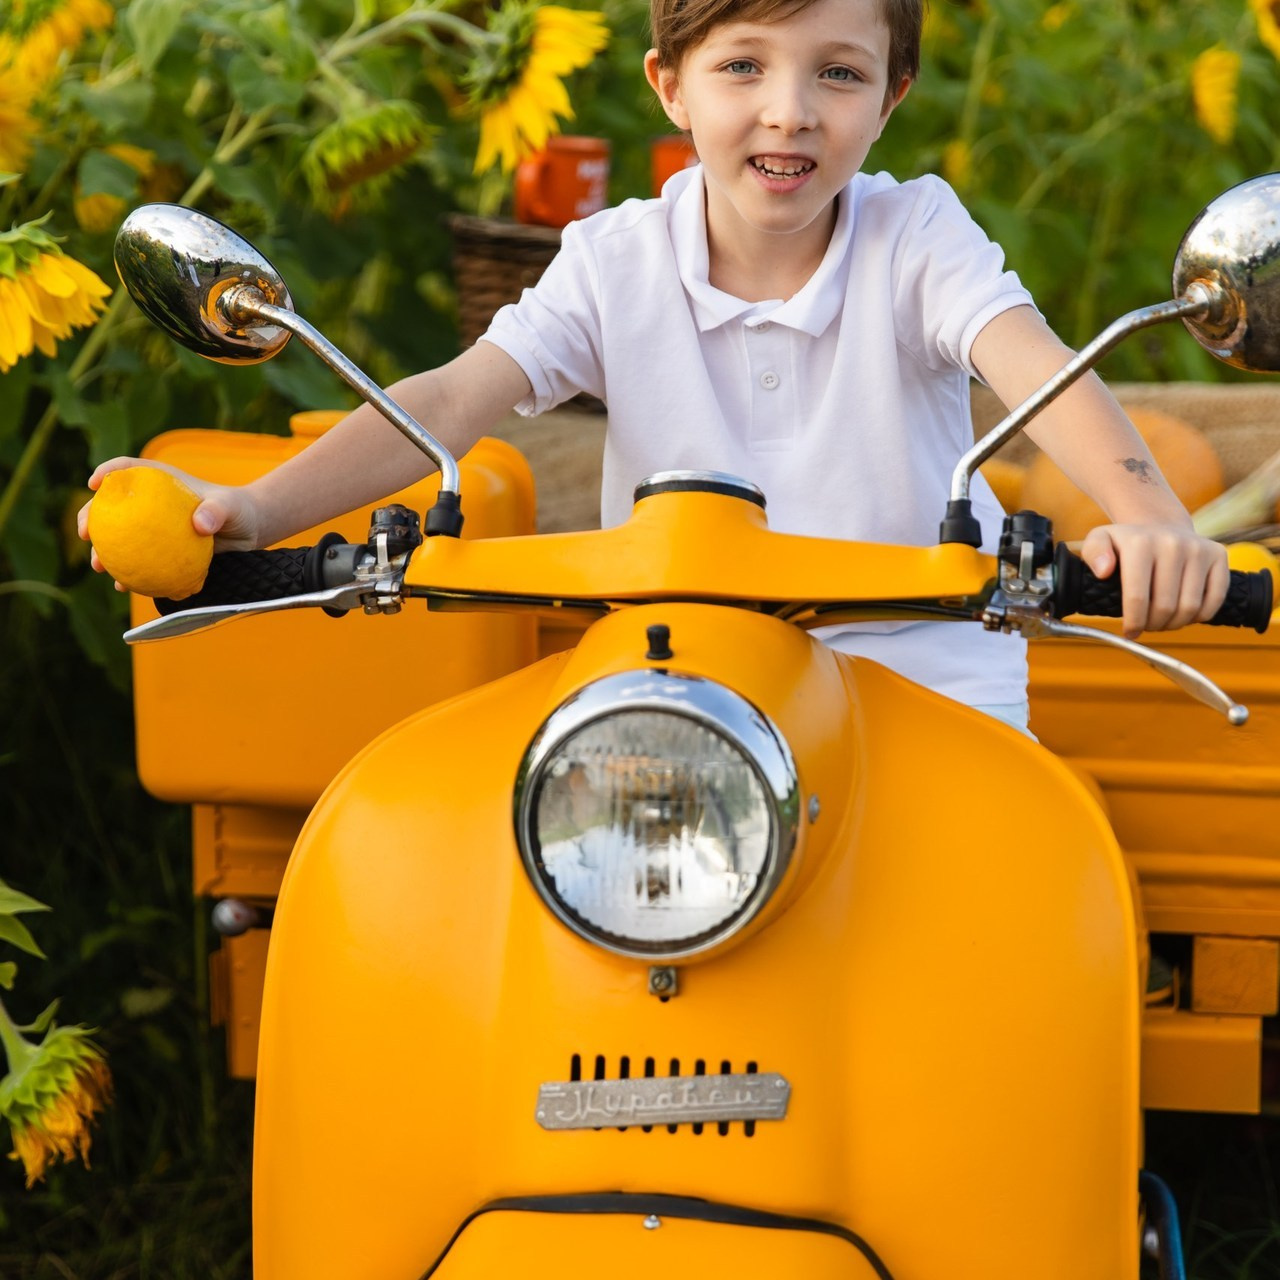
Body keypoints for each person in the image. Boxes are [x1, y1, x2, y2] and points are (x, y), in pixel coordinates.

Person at [80, 0, 1228, 735]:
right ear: (670, 87)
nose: (788, 112)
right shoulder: (615, 260)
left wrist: (1149, 516)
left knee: (996, 939)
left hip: (927, 689)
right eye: (742, 65)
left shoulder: (915, 235)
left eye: (837, 73)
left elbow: (1037, 371)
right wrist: (245, 512)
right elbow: (446, 402)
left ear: (891, 97)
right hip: (674, 695)